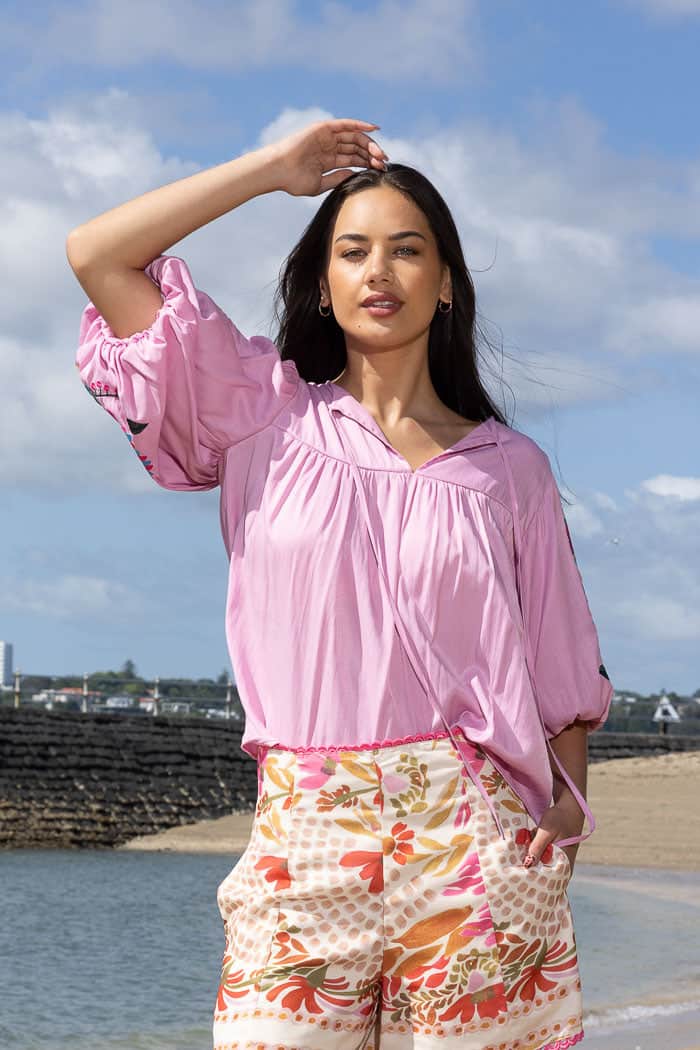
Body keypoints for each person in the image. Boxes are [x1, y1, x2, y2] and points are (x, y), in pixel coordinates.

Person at [67, 117, 613, 1050]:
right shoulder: (260, 416)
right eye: (353, 251)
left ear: (446, 283)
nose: (379, 271)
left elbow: (560, 670)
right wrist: (272, 170)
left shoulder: (509, 469)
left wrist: (559, 823)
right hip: (307, 825)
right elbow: (97, 255)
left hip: (474, 831)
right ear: (322, 285)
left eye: (408, 249)